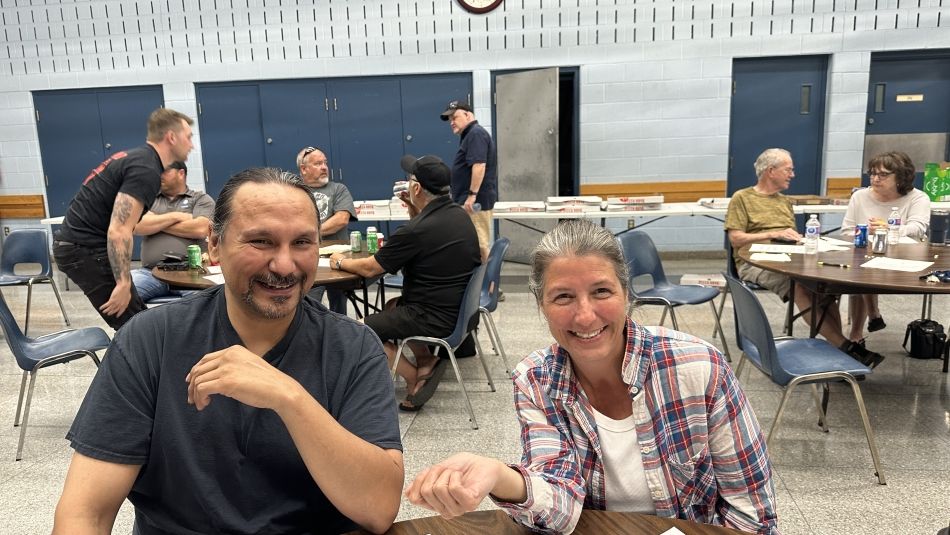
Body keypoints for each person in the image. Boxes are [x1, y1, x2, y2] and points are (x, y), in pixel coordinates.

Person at [52, 168, 403, 535]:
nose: (285, 265)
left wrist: (290, 398)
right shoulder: (149, 341)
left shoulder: (354, 349)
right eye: (261, 242)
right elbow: (85, 513)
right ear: (214, 245)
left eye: (302, 243)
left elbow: (377, 508)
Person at [405, 220, 778, 534]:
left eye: (601, 291)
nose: (585, 317)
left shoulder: (698, 367)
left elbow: (754, 516)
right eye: (563, 297)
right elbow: (561, 507)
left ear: (627, 293)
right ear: (541, 306)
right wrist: (499, 476)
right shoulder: (535, 379)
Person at [329, 154, 480, 412]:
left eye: (410, 180)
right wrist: (413, 207)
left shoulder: (416, 230)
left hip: (433, 316)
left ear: (417, 188)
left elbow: (370, 268)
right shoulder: (458, 215)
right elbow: (424, 237)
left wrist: (339, 261)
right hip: (457, 310)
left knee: (358, 330)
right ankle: (425, 360)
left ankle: (413, 378)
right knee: (391, 307)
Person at [724, 148, 884, 368]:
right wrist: (773, 234)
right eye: (788, 169)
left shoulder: (783, 201)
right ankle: (846, 348)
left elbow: (791, 237)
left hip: (789, 256)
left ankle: (838, 349)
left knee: (824, 286)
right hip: (754, 262)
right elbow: (736, 239)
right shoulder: (741, 198)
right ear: (771, 171)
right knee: (801, 285)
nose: (793, 174)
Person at [52, 108, 195, 329]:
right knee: (135, 325)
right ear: (171, 137)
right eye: (189, 137)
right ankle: (134, 362)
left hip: (78, 247)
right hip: (85, 250)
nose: (192, 145)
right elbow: (119, 230)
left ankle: (139, 360)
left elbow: (130, 223)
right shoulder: (146, 169)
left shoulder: (137, 159)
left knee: (136, 321)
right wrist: (123, 282)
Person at [841, 151, 931, 341]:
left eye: (883, 174)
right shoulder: (860, 197)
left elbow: (917, 228)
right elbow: (847, 231)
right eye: (872, 173)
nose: (875, 179)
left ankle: (872, 316)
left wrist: (888, 228)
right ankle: (857, 334)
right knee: (859, 273)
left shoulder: (918, 198)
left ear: (900, 176)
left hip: (904, 257)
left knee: (863, 271)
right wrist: (864, 235)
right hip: (866, 257)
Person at [131, 161, 215, 302]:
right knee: (123, 295)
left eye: (164, 171)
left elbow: (200, 229)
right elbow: (136, 226)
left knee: (202, 303)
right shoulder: (149, 199)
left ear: (181, 173)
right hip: (150, 273)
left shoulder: (200, 199)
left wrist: (156, 222)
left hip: (191, 273)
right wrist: (177, 217)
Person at [297, 145, 358, 315]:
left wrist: (308, 234)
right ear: (304, 169)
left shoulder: (338, 189)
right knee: (309, 302)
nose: (324, 167)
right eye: (317, 164)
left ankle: (338, 333)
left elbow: (341, 219)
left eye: (325, 163)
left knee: (338, 304)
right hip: (306, 255)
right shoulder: (295, 191)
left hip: (336, 257)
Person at [440, 99, 498, 262]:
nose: (452, 122)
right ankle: (481, 284)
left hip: (474, 202)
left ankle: (487, 286)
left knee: (479, 246)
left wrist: (472, 195)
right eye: (449, 119)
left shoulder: (475, 134)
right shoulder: (470, 135)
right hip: (469, 201)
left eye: (455, 117)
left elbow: (479, 165)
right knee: (474, 245)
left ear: (468, 114)